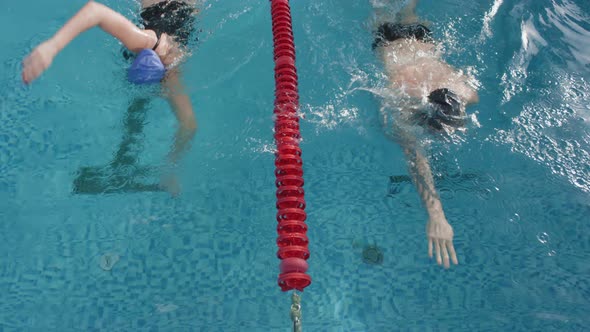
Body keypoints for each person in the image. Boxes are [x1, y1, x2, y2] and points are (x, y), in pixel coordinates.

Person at [21, 0, 198, 195]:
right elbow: (94, 11)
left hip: (169, 19)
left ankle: (123, 161)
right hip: (163, 20)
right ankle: (125, 162)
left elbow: (189, 124)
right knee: (141, 100)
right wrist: (51, 47)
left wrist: (170, 170)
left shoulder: (170, 69)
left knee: (139, 100)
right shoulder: (147, 42)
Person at [372, 0, 479, 268]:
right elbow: (414, 157)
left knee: (401, 10)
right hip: (392, 40)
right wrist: (436, 215)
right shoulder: (402, 94)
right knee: (386, 12)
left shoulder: (464, 92)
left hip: (419, 42)